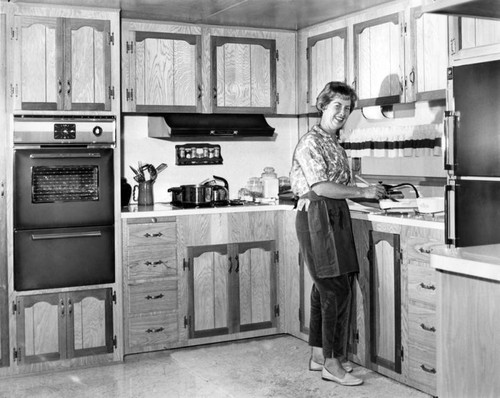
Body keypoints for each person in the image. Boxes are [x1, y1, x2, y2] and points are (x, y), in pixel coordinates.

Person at [289, 81, 385, 386]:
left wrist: (369, 196)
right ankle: (332, 363)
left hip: (335, 216)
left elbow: (340, 187)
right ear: (323, 106)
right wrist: (364, 191)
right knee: (334, 289)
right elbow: (320, 187)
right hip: (317, 216)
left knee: (326, 288)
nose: (342, 113)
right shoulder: (311, 142)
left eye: (347, 108)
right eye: (336, 106)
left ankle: (320, 355)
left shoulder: (333, 142)